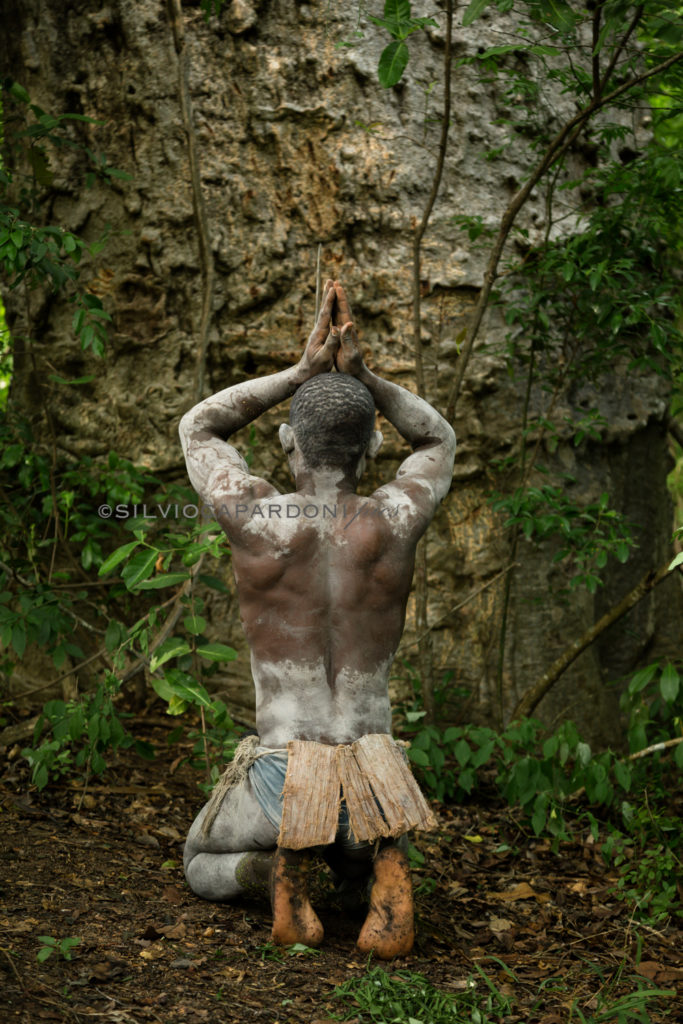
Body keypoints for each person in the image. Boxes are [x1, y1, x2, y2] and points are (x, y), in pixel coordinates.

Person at [179, 280, 456, 958]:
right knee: (359, 838)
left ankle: (274, 866)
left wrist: (298, 374)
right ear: (369, 454)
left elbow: (199, 426)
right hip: (371, 771)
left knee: (198, 859)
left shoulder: (259, 519)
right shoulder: (393, 518)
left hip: (285, 768)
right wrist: (365, 377)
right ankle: (376, 861)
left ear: (286, 445)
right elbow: (437, 436)